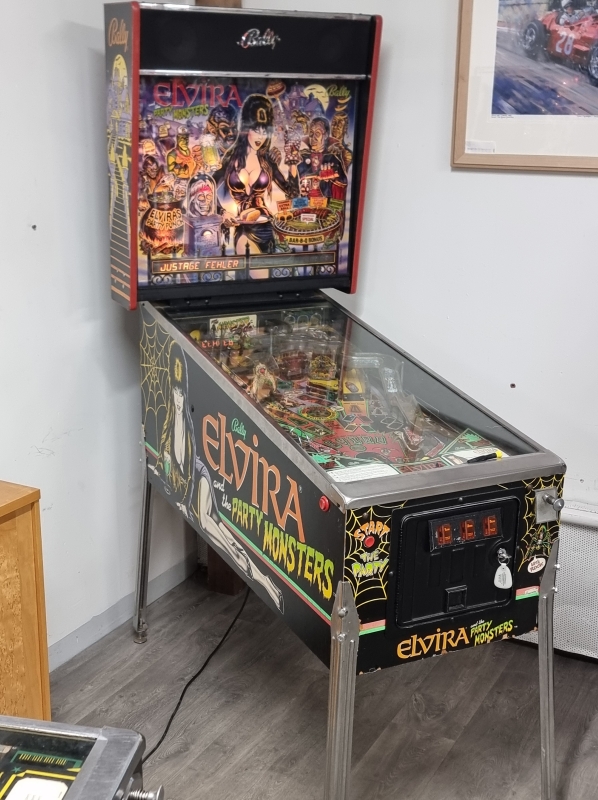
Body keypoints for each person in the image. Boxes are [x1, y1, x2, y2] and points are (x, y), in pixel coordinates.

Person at [156, 341, 284, 612]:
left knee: (217, 529)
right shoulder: (168, 428)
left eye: (181, 392)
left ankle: (263, 581)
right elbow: (168, 469)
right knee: (221, 533)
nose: (178, 399)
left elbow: (187, 464)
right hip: (188, 481)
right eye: (175, 393)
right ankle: (264, 581)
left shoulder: (185, 419)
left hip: (197, 475)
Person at [214, 94, 299, 255]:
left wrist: (292, 162)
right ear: (246, 128)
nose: (260, 136)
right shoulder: (230, 158)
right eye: (256, 129)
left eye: (264, 131)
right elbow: (208, 188)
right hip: (242, 227)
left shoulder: (267, 160)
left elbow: (293, 193)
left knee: (263, 268)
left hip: (267, 225)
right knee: (252, 264)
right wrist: (222, 212)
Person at [297, 117, 347, 201]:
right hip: (305, 204)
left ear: (326, 135)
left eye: (317, 133)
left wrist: (333, 178)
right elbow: (292, 185)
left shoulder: (332, 158)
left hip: (326, 203)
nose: (313, 137)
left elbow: (344, 181)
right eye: (311, 133)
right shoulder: (301, 158)